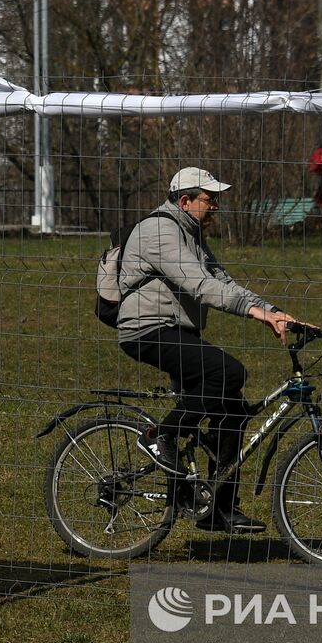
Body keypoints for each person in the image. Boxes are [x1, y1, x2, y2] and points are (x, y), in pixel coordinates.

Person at [116, 166, 298, 534]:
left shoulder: (190, 233)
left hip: (176, 330)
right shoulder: (159, 231)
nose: (215, 207)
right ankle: (160, 435)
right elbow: (200, 286)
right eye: (209, 200)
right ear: (185, 201)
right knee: (229, 372)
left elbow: (224, 282)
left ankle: (220, 509)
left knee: (232, 407)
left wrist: (274, 312)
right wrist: (256, 313)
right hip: (147, 330)